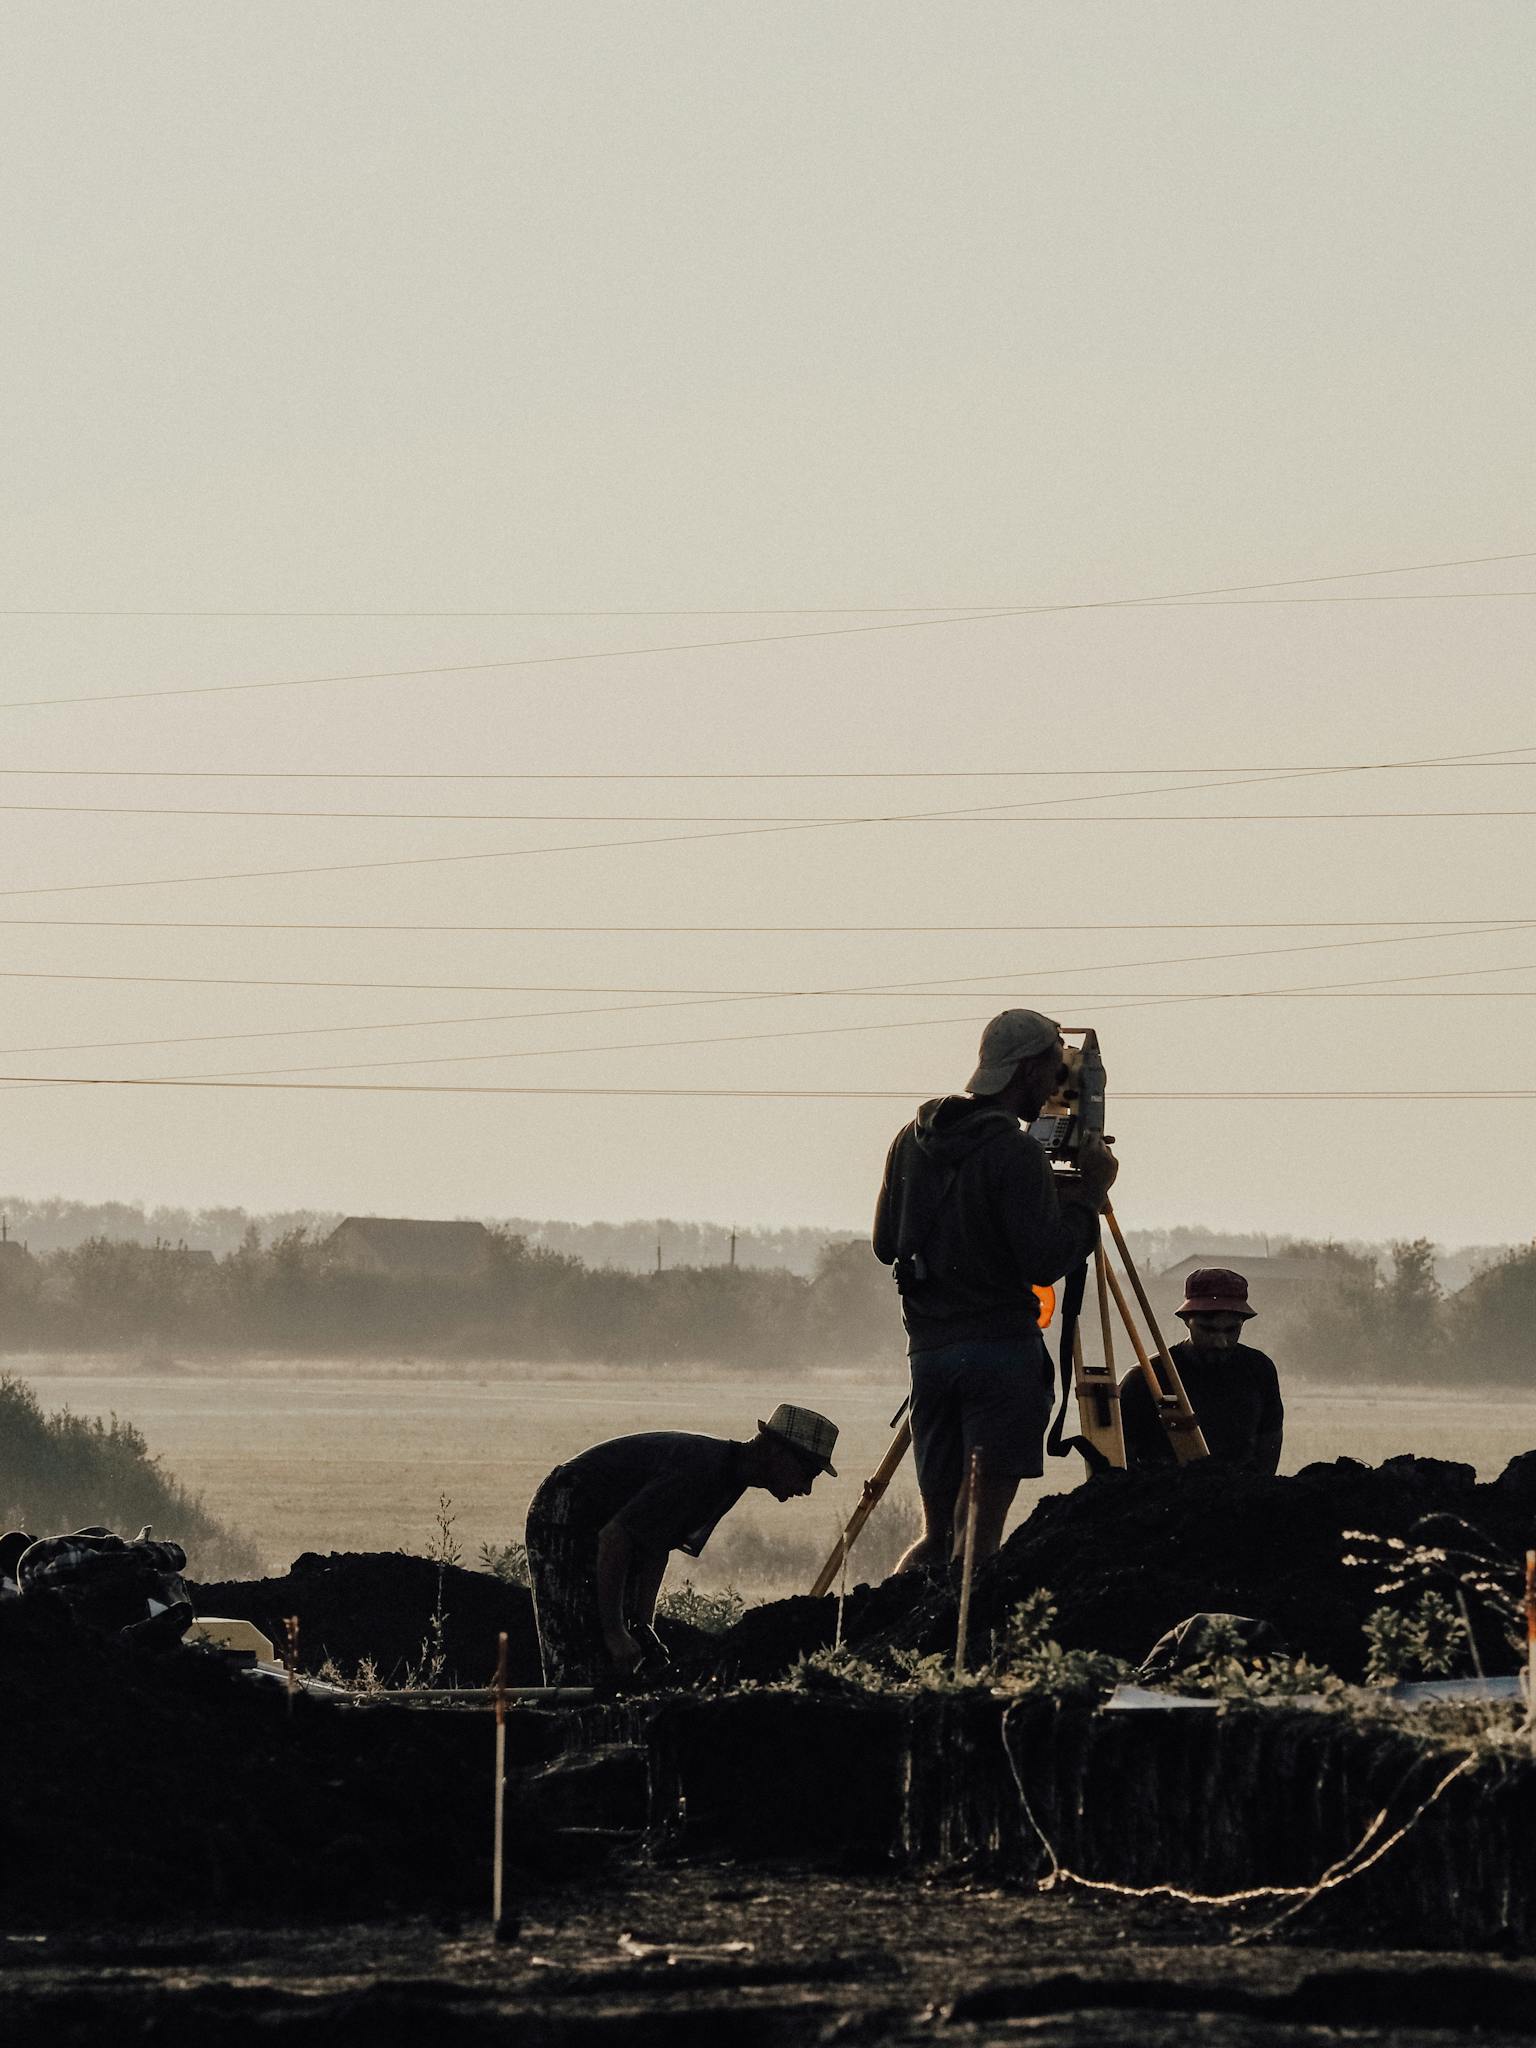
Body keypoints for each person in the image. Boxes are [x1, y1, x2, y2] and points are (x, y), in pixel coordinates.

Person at [873, 1009, 1118, 1575]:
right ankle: (962, 1653)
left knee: (937, 1538)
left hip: (929, 1355)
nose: (1058, 1083)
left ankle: (894, 1637)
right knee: (976, 1546)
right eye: (1055, 1069)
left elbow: (887, 1244)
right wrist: (1088, 1196)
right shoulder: (1016, 1151)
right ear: (1029, 1069)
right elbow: (1045, 1259)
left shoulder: (911, 1139)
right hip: (1000, 1355)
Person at [525, 1403, 839, 1683]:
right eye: (806, 1472)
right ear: (776, 1451)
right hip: (567, 1510)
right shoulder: (702, 1470)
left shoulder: (729, 1478)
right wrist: (615, 1632)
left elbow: (655, 1545)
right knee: (577, 1647)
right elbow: (616, 1538)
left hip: (601, 1523)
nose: (807, 1489)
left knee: (621, 1650)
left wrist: (642, 1628)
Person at [1120, 1267, 1284, 1473]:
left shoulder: (1260, 1370)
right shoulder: (1147, 1378)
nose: (1221, 1342)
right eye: (1208, 1329)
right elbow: (1122, 1457)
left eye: (1232, 1330)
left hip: (1240, 1497)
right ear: (1186, 1321)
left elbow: (1269, 1442)